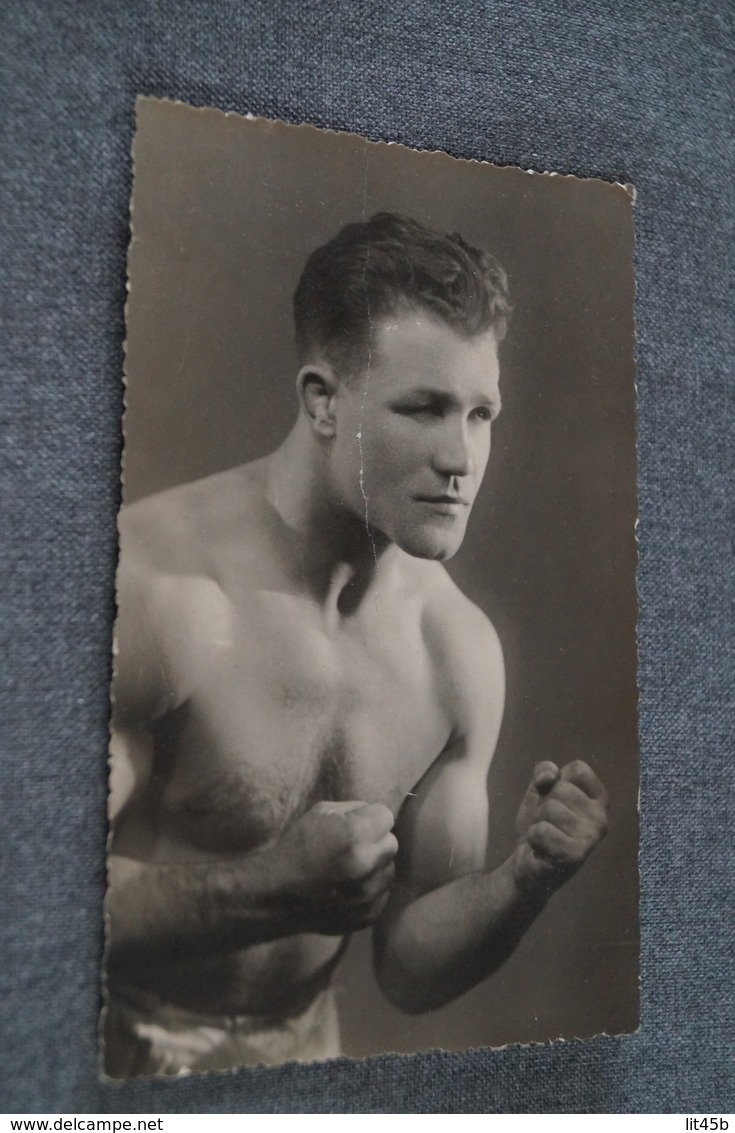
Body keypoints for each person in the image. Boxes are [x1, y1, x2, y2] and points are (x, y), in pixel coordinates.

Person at [103, 212, 608, 1078]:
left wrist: (525, 878)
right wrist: (270, 891)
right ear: (323, 401)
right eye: (424, 408)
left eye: (481, 413)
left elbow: (408, 968)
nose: (462, 456)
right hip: (98, 1047)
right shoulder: (155, 594)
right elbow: (27, 902)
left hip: (299, 1059)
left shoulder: (456, 653)